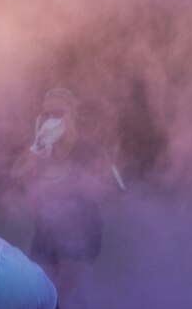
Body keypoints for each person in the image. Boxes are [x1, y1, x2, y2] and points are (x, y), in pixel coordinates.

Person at [10, 88, 116, 298]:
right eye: (46, 115)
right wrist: (33, 150)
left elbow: (114, 192)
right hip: (45, 232)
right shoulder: (41, 151)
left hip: (81, 233)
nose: (51, 120)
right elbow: (16, 176)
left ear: (73, 114)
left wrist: (84, 185)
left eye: (58, 114)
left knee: (64, 295)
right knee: (39, 293)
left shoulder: (91, 151)